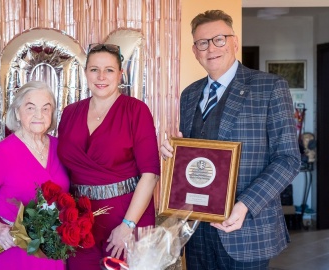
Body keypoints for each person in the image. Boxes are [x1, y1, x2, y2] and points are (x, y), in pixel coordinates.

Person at [160, 10, 301, 269]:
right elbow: (194, 159)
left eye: (219, 39)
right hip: (196, 229)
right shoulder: (189, 94)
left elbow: (289, 159)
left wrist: (246, 204)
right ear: (195, 50)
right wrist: (174, 154)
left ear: (234, 42)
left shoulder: (270, 87)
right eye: (203, 42)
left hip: (246, 228)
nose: (211, 48)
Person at [57, 43, 160, 269]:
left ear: (120, 74)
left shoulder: (136, 110)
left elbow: (150, 175)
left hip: (126, 214)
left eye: (109, 70)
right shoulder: (69, 113)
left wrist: (127, 225)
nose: (101, 76)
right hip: (80, 221)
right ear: (85, 73)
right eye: (94, 69)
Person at [0, 81, 69, 270]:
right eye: (31, 108)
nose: (39, 115)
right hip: (15, 253)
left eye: (46, 109)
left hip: (52, 251)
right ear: (17, 113)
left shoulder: (60, 147)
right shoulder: (3, 153)